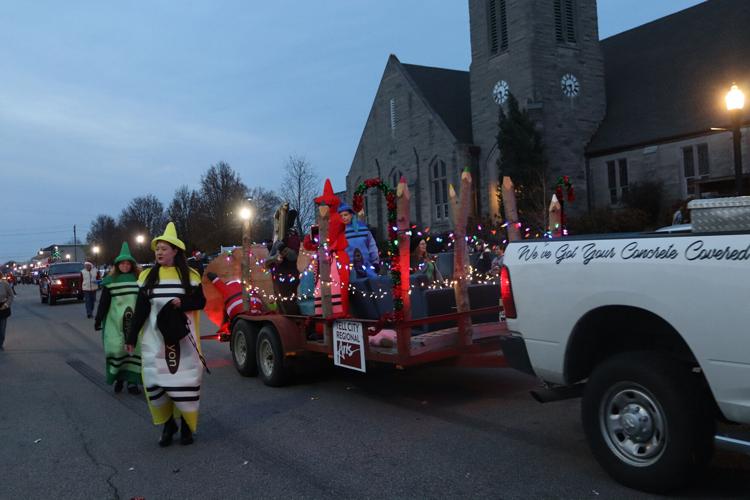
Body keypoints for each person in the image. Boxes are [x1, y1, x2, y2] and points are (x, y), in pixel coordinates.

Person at [125, 223, 206, 447]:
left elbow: (200, 302)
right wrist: (131, 339)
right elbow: (140, 311)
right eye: (157, 248)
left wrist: (183, 302)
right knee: (156, 383)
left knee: (185, 382)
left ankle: (187, 427)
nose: (159, 252)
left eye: (164, 248)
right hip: (155, 342)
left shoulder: (190, 276)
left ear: (175, 251)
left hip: (184, 342)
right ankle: (168, 424)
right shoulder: (148, 277)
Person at [95, 243, 142, 394]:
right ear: (117, 265)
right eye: (123, 263)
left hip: (135, 323)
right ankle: (119, 378)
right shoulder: (111, 281)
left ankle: (132, 382)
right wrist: (98, 319)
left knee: (135, 351)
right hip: (115, 323)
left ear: (132, 265)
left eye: (128, 263)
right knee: (117, 350)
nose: (126, 266)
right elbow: (104, 303)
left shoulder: (139, 280)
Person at [265, 206, 301, 315]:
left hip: (288, 275)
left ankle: (294, 323)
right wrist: (272, 248)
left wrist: (282, 248)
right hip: (278, 274)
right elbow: (270, 259)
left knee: (288, 304)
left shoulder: (292, 236)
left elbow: (293, 256)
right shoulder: (278, 236)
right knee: (281, 303)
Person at [338, 203, 380, 275]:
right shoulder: (339, 232)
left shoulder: (363, 228)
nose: (343, 217)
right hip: (348, 269)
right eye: (341, 216)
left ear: (351, 215)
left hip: (367, 266)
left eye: (345, 215)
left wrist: (375, 262)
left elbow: (371, 245)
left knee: (374, 283)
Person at [0, 272, 14, 350]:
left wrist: (6, 305)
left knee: (2, 329)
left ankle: (0, 343)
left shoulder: (5, 284)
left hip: (3, 308)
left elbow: (11, 296)